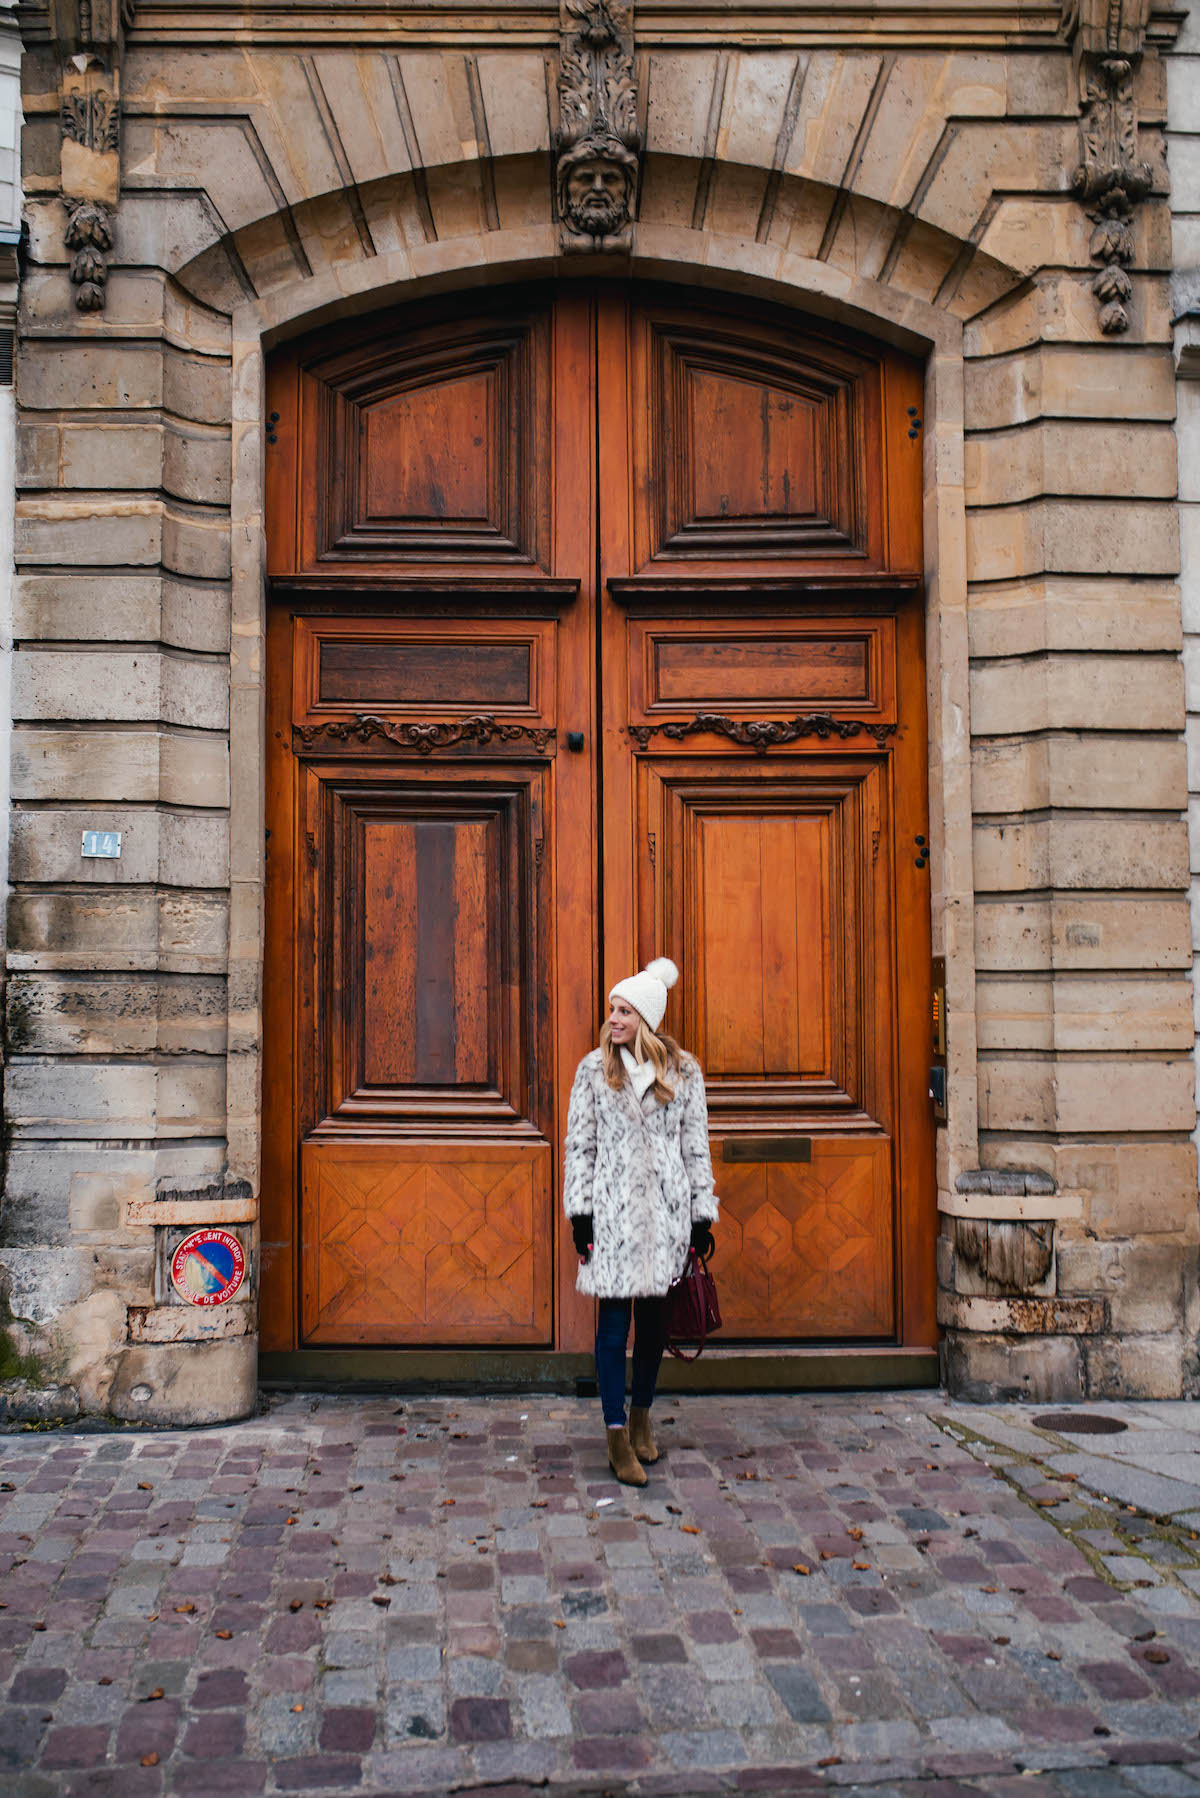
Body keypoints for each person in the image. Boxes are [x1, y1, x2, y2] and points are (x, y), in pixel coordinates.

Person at [562, 957, 718, 1487]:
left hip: (667, 1217)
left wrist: (701, 1217)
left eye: (624, 1010)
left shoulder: (684, 1072)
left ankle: (642, 1420)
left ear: (647, 1018)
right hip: (613, 1218)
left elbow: (695, 1148)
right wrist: (580, 1214)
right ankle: (613, 1436)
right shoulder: (593, 1071)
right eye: (612, 1009)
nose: (613, 1019)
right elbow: (580, 1147)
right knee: (612, 1329)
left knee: (652, 1327)